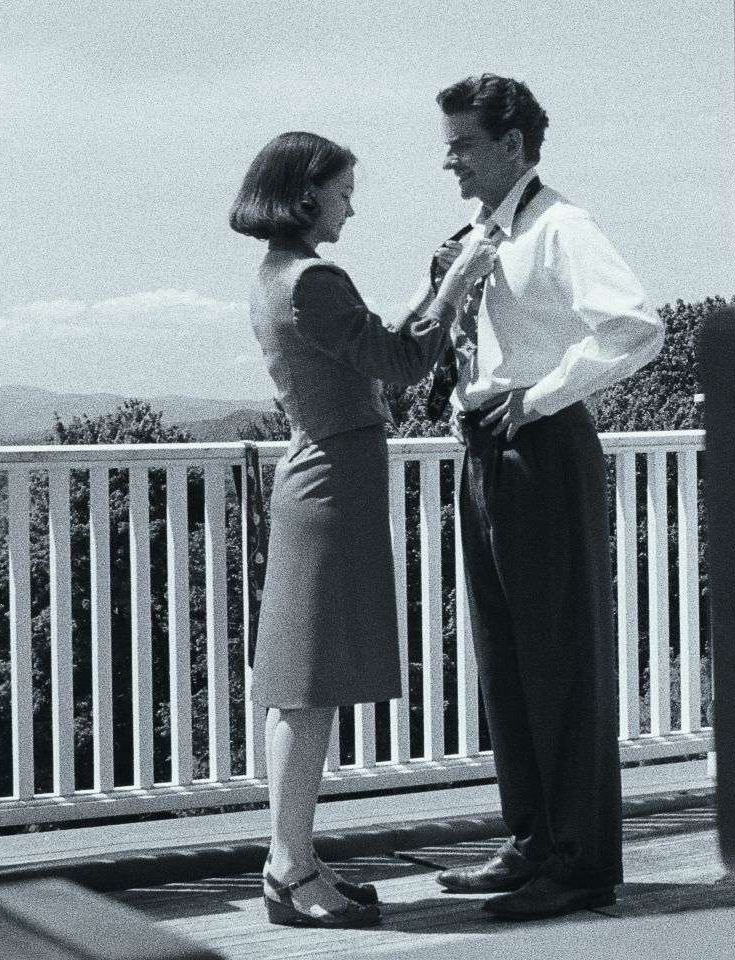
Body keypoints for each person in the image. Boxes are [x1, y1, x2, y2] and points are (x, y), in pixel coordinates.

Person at [227, 131, 499, 929]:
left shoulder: (280, 275)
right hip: (331, 489)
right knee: (308, 694)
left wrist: (433, 286)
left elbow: (379, 344)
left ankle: (296, 861)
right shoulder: (313, 278)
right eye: (344, 189)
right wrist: (457, 286)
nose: (352, 202)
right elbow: (405, 363)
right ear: (306, 194)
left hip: (321, 482)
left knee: (304, 690)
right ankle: (287, 870)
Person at [421, 74, 665, 921]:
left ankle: (582, 860)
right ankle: (532, 840)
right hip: (484, 454)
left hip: (540, 449)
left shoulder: (562, 226)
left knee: (560, 657)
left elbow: (635, 327)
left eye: (463, 144)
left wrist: (539, 397)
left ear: (513, 145)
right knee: (505, 657)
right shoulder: (480, 235)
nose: (449, 160)